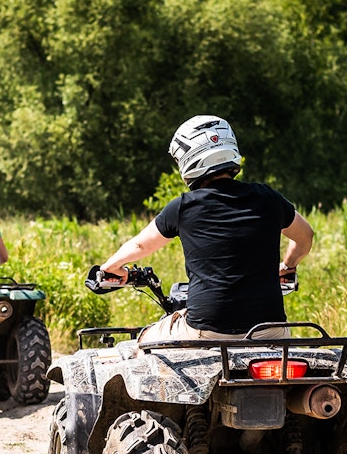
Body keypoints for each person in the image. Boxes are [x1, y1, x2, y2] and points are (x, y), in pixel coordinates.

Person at [99, 114, 314, 345]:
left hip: (207, 330)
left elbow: (140, 245)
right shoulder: (268, 198)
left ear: (186, 158)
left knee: (142, 342)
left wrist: (110, 268)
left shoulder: (183, 206)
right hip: (271, 330)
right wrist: (287, 266)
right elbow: (305, 236)